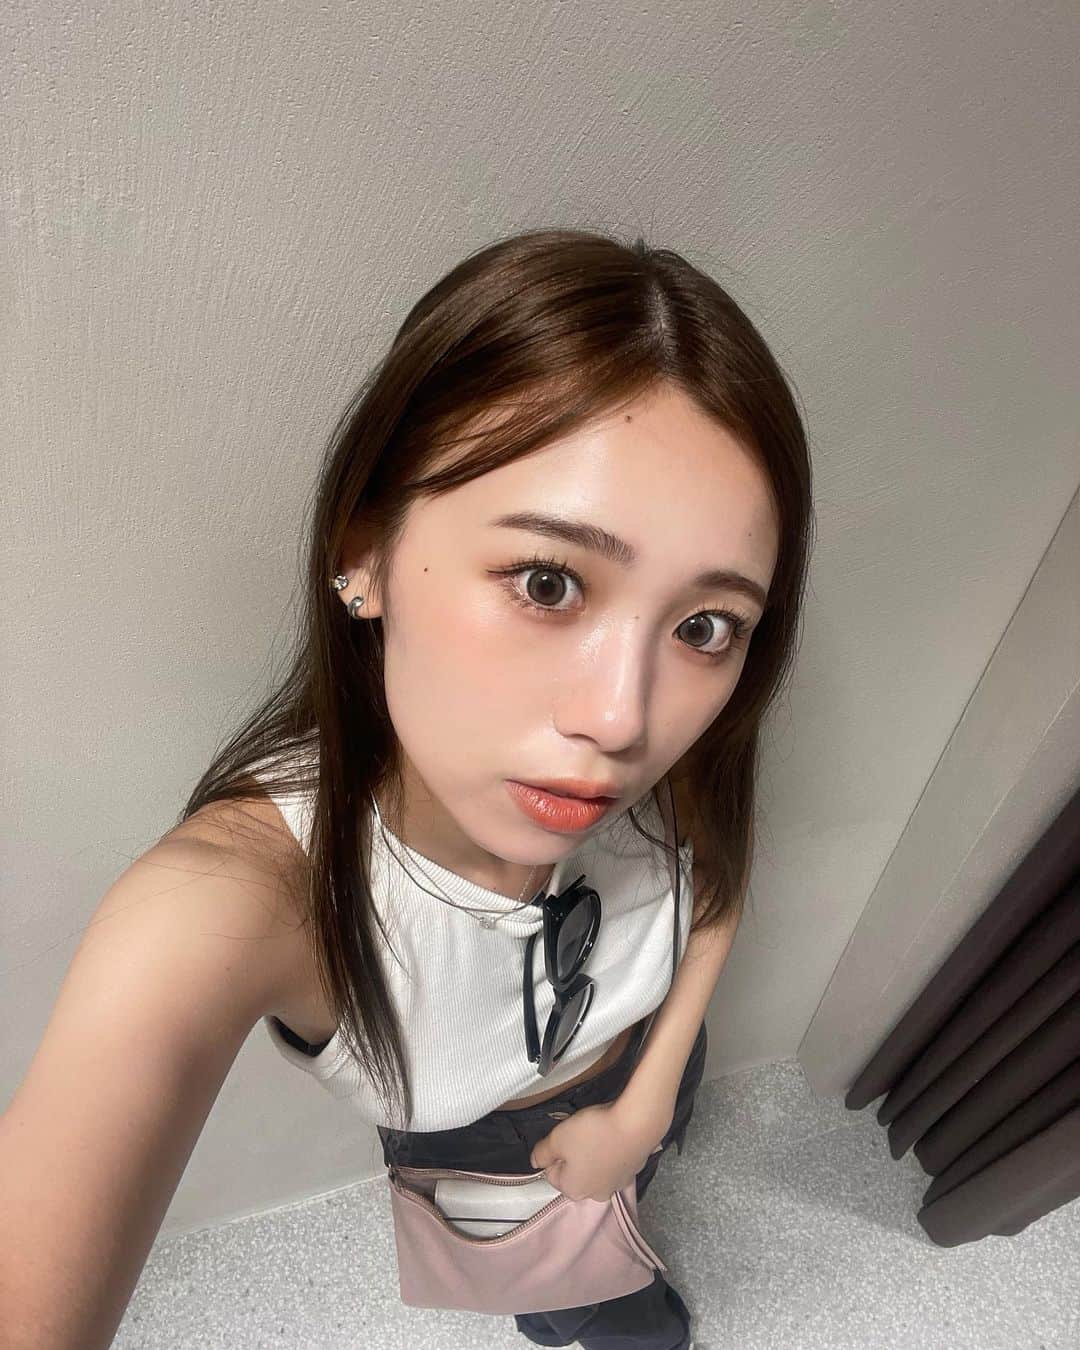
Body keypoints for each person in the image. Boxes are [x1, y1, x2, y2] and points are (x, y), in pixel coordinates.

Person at [0, 227, 813, 1349]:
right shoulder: (247, 894)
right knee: (593, 1314)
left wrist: (648, 1098)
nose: (624, 721)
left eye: (706, 625)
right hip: (501, 1151)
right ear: (365, 553)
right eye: (548, 582)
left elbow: (715, 868)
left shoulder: (668, 736)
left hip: (662, 1050)